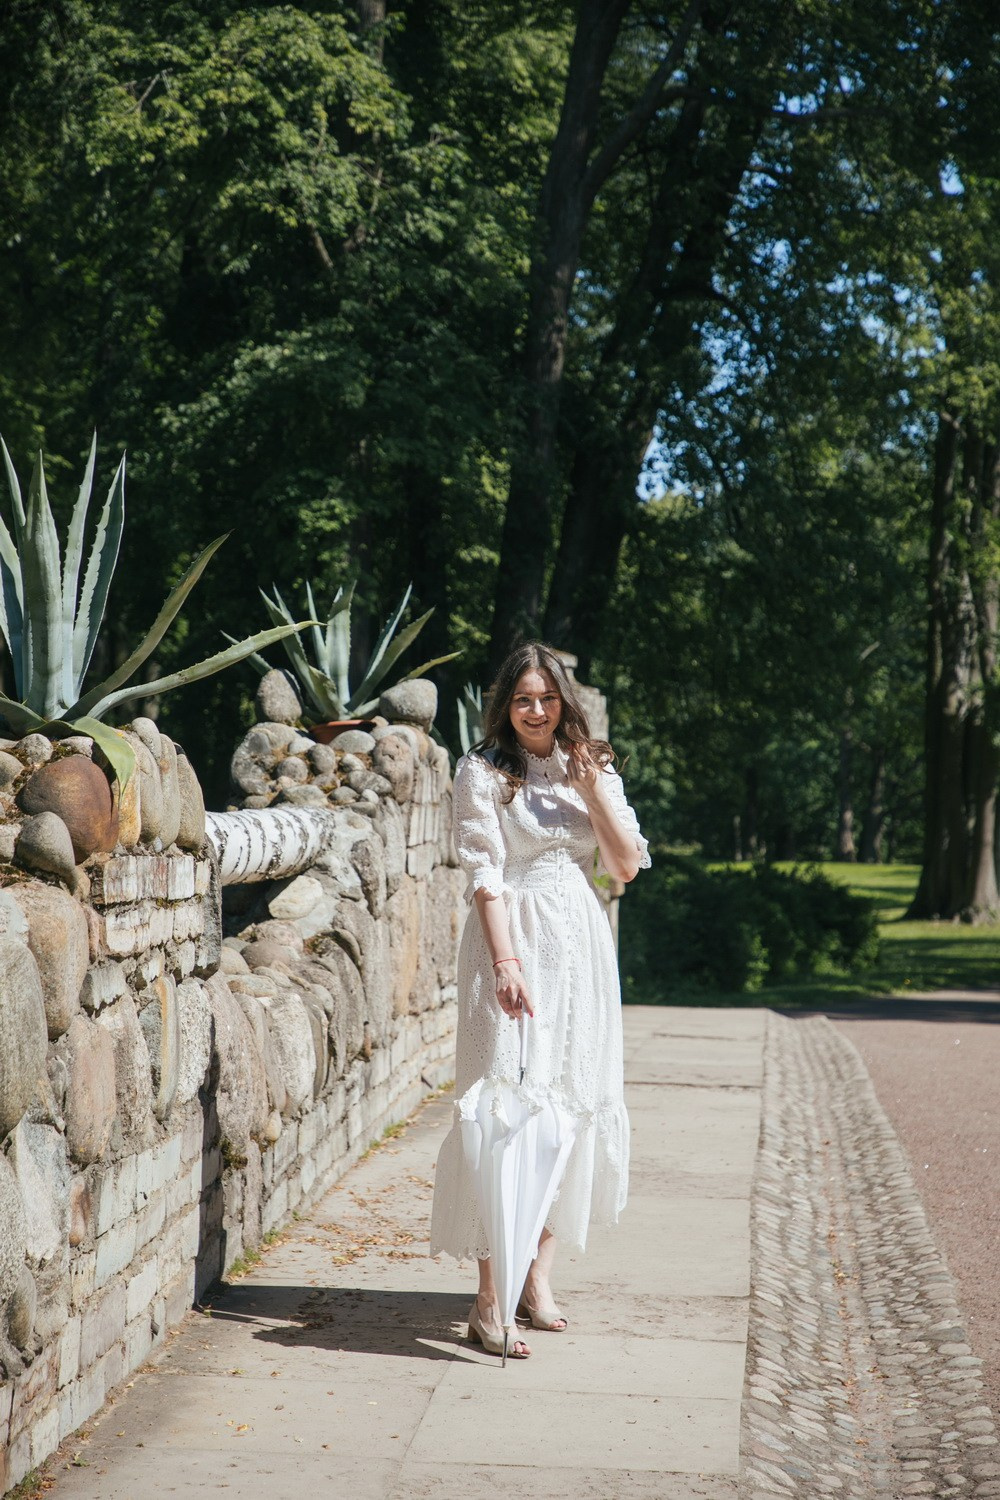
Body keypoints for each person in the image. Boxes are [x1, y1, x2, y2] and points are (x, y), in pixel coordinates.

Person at [429, 641, 650, 1359]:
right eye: (523, 699)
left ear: (563, 702)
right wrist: (505, 962)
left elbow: (624, 866)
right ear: (506, 704)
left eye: (547, 698)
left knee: (569, 1107)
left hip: (579, 946)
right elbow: (484, 874)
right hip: (512, 938)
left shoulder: (592, 766)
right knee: (504, 1110)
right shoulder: (483, 770)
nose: (535, 710)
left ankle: (536, 1278)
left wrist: (592, 791)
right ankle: (489, 1298)